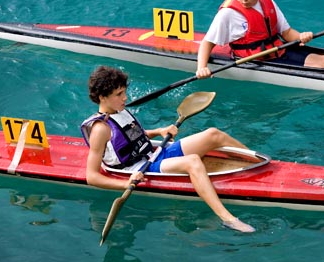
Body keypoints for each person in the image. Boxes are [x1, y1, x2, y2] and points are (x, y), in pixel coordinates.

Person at [81, 65, 255, 233]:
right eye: (119, 94)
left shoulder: (119, 110)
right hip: (142, 168)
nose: (125, 97)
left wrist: (159, 131)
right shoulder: (100, 129)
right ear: (102, 97)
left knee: (213, 134)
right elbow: (92, 177)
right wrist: (126, 183)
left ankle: (260, 164)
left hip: (154, 154)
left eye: (124, 92)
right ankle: (227, 219)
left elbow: (132, 138)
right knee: (192, 162)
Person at [196, 0, 324, 79]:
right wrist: (201, 68)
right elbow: (207, 43)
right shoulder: (228, 13)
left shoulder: (268, 3)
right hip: (254, 59)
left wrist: (301, 36)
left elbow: (287, 33)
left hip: (278, 50)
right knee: (321, 64)